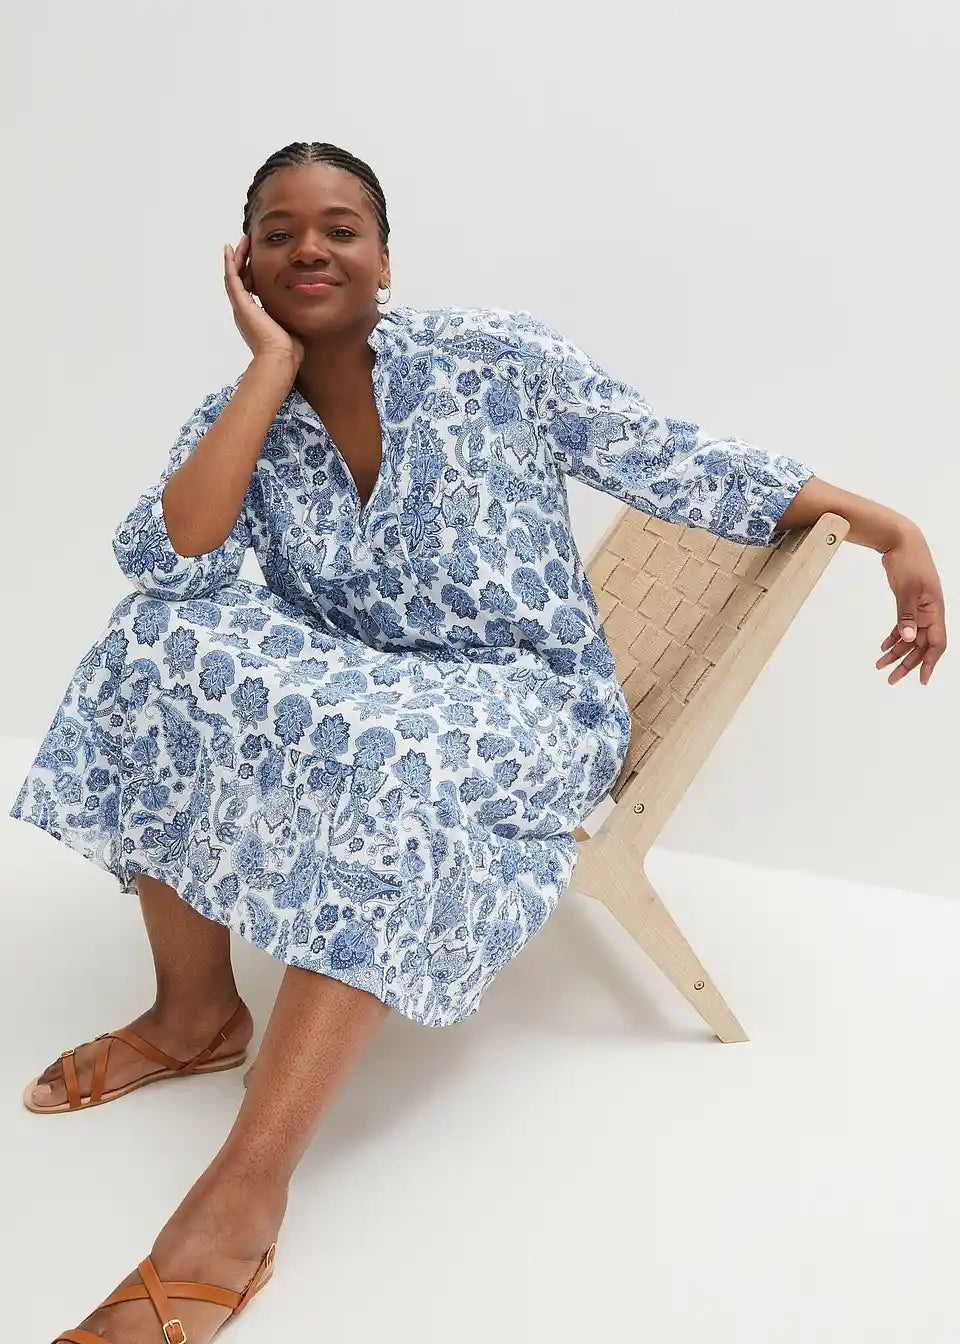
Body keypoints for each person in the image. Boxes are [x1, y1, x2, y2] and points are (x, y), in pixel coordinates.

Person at [11, 140, 947, 1343]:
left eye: (341, 227)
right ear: (243, 263)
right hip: (362, 683)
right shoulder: (244, 409)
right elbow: (171, 558)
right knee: (155, 644)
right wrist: (270, 367)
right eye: (279, 232)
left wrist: (889, 527)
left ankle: (243, 1192)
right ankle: (195, 1015)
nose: (311, 249)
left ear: (385, 256)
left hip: (527, 702)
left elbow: (671, 457)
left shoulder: (492, 358)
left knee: (394, 769)